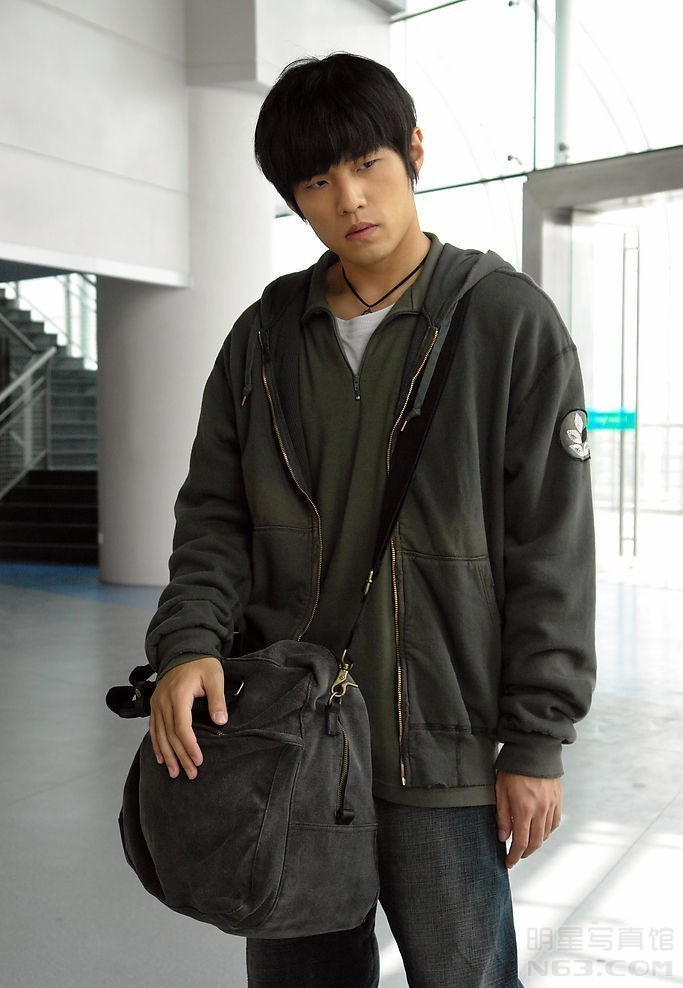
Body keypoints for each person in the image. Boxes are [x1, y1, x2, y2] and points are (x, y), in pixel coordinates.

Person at [144, 53, 596, 988]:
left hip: (444, 748)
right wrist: (187, 643)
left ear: (414, 152)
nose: (349, 198)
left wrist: (535, 740)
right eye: (316, 181)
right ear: (292, 199)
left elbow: (550, 549)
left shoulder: (505, 322)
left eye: (367, 164)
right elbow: (213, 517)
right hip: (287, 747)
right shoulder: (262, 338)